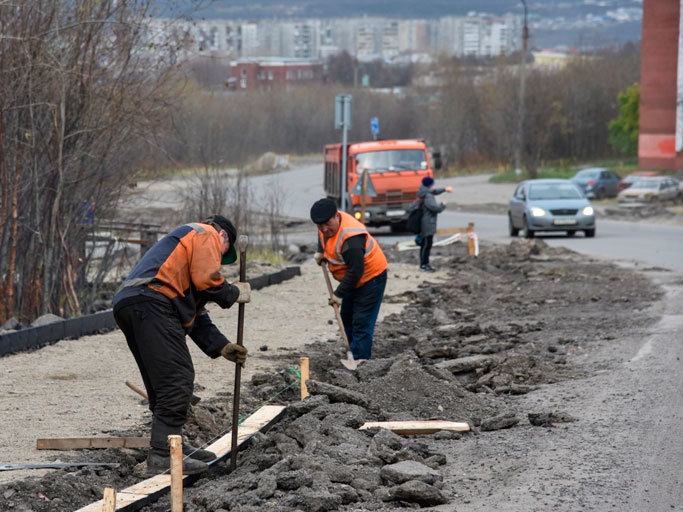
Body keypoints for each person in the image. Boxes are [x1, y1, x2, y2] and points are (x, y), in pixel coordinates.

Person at [113, 214, 250, 476]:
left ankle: (170, 444)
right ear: (223, 237)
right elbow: (209, 280)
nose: (219, 260)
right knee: (177, 379)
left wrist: (222, 346)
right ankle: (164, 456)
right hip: (151, 303)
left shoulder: (180, 263)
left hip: (134, 304)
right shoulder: (206, 233)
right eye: (223, 254)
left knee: (163, 382)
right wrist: (233, 292)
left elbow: (196, 316)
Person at [310, 198, 388, 361]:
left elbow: (356, 271)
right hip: (351, 278)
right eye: (320, 226)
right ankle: (352, 352)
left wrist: (338, 294)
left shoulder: (351, 239)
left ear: (337, 216)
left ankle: (360, 361)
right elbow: (322, 236)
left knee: (361, 321)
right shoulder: (324, 225)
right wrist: (321, 252)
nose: (324, 229)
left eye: (327, 224)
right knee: (346, 317)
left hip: (371, 278)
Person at [417, 176, 452, 272]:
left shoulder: (424, 192)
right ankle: (424, 265)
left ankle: (423, 264)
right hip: (428, 223)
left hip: (425, 223)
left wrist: (444, 189)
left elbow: (435, 191)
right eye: (432, 185)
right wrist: (443, 205)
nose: (433, 186)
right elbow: (435, 208)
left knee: (425, 244)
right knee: (427, 244)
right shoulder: (428, 196)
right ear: (430, 185)